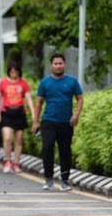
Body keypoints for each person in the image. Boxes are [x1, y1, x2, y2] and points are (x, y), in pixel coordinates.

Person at [32, 53, 83, 191]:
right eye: (56, 63)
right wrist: (36, 122)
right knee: (47, 148)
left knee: (65, 150)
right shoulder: (45, 82)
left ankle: (65, 181)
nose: (58, 66)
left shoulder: (72, 81)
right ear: (51, 65)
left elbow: (80, 98)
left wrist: (76, 115)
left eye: (61, 63)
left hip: (66, 122)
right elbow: (39, 103)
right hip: (48, 121)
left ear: (64, 65)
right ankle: (48, 179)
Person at [0, 61, 35, 173]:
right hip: (7, 113)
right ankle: (8, 161)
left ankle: (16, 162)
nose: (14, 73)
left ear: (19, 72)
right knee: (7, 138)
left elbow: (28, 98)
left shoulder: (23, 83)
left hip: (19, 113)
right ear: (9, 71)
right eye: (12, 71)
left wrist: (33, 113)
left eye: (16, 71)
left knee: (18, 139)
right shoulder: (3, 82)